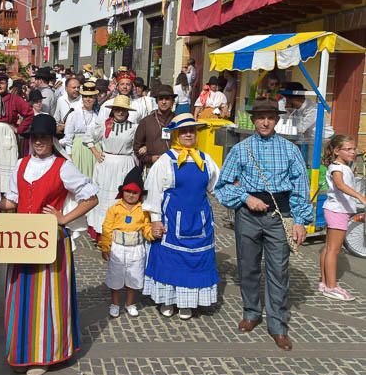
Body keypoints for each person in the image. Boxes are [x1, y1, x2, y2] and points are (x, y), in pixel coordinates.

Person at [1, 114, 98, 375]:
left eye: (44, 137)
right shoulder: (21, 165)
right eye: (35, 137)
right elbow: (11, 201)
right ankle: (22, 351)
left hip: (50, 242)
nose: (39, 141)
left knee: (46, 300)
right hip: (22, 242)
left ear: (52, 140)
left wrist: (63, 219)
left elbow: (91, 198)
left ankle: (45, 354)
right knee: (21, 298)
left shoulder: (62, 166)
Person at [215, 98, 310, 351]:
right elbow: (222, 187)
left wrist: (300, 221)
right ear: (253, 120)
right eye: (260, 117)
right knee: (248, 266)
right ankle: (251, 312)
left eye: (270, 117)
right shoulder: (240, 150)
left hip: (280, 214)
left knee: (278, 270)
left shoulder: (290, 150)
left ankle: (278, 325)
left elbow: (300, 186)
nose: (265, 121)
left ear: (277, 120)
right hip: (248, 215)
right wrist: (246, 198)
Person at [142, 113, 221, 320]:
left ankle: (188, 302)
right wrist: (155, 220)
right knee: (171, 260)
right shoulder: (166, 161)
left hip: (199, 220)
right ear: (176, 134)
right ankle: (168, 300)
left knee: (196, 261)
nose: (188, 134)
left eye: (191, 131)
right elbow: (154, 191)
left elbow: (216, 186)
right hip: (172, 220)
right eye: (183, 131)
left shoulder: (205, 159)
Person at [99, 167, 153, 318]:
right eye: (128, 191)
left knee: (134, 277)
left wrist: (152, 234)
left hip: (136, 248)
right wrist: (105, 246)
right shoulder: (114, 209)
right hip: (118, 247)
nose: (130, 195)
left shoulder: (144, 210)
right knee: (115, 276)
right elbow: (107, 228)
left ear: (140, 194)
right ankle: (115, 303)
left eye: (135, 192)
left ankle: (130, 303)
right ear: (122, 191)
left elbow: (146, 227)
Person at [84, 94, 138, 238]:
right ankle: (101, 230)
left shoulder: (134, 127)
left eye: (123, 110)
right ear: (112, 110)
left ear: (128, 112)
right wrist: (95, 151)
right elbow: (88, 137)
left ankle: (119, 227)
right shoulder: (104, 125)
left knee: (120, 196)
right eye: (117, 109)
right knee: (102, 196)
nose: (120, 112)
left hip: (125, 164)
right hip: (106, 163)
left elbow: (139, 144)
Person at [319, 135, 363, 301]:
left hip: (335, 210)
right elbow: (340, 184)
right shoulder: (338, 168)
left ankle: (324, 282)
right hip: (338, 211)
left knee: (328, 247)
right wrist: (360, 196)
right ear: (337, 151)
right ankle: (331, 287)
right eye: (348, 149)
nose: (353, 152)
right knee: (334, 250)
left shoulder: (341, 165)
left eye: (354, 149)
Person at [60, 81, 99, 178]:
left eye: (91, 97)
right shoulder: (74, 114)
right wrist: (70, 157)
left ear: (95, 99)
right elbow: (68, 138)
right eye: (85, 97)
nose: (88, 99)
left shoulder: (97, 115)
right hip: (78, 149)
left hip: (94, 149)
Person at [134, 84, 176, 169]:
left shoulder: (178, 121)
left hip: (174, 166)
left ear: (173, 101)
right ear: (156, 101)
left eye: (167, 99)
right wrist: (150, 158)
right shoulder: (146, 121)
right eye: (161, 99)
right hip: (152, 167)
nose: (164, 102)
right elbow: (137, 147)